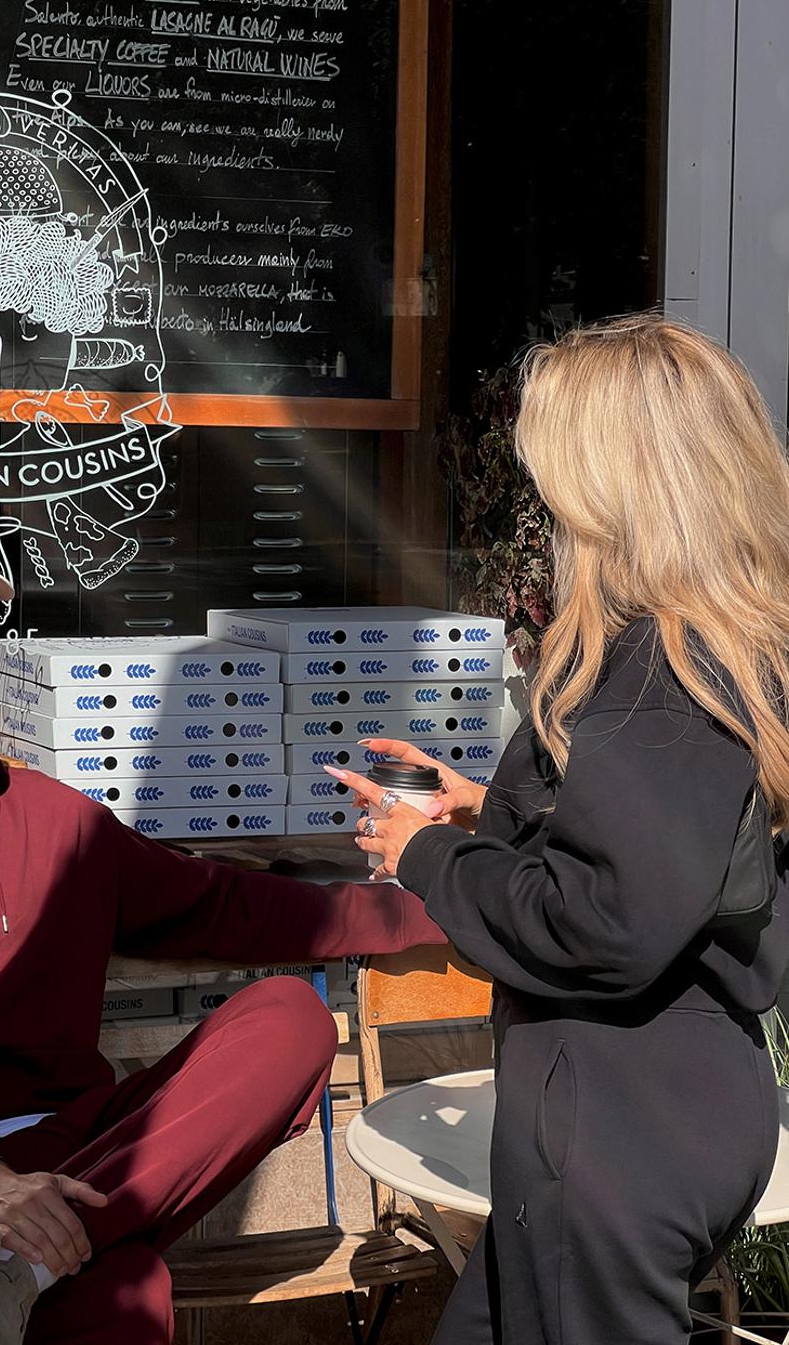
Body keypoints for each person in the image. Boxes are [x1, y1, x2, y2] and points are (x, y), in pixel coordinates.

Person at [0, 529, 445, 1345]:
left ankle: (13, 1272)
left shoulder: (50, 818)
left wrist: (437, 909)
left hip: (69, 1156)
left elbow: (224, 905)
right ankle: (13, 1268)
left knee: (288, 1019)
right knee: (126, 1290)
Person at [328, 314, 789, 1345]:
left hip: (620, 1121)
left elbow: (606, 925)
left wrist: (428, 855)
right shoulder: (728, 655)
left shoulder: (664, 676)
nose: (542, 500)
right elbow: (682, 862)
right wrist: (493, 808)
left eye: (554, 468)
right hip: (660, 1106)